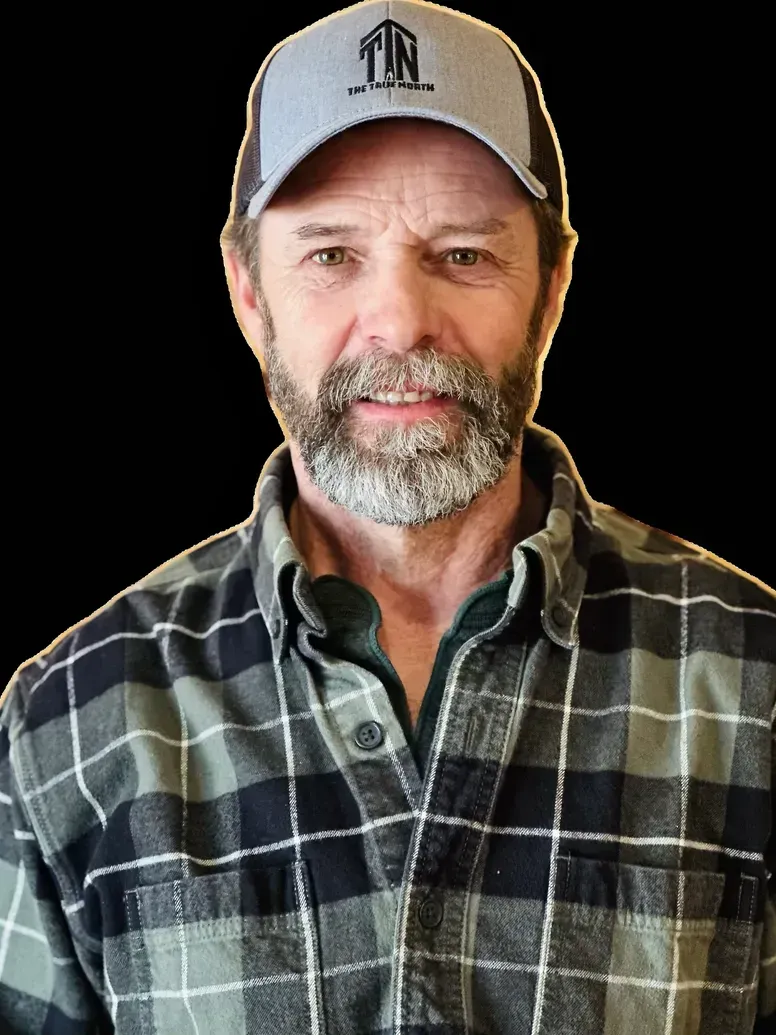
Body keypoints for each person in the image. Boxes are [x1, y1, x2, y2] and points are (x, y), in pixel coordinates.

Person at [1, 0, 773, 1031]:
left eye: (461, 253)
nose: (401, 321)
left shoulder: (755, 684)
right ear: (246, 293)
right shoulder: (69, 723)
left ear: (549, 290)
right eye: (329, 254)